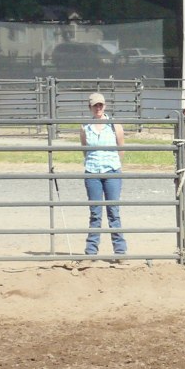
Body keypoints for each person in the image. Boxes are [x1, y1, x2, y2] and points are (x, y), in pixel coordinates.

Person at [80, 92, 126, 258]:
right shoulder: (85, 127)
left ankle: (120, 251)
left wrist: (113, 164)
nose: (98, 108)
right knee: (95, 212)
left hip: (111, 171)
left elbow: (121, 148)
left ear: (104, 106)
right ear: (90, 108)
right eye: (95, 105)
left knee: (113, 210)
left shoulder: (115, 126)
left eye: (100, 105)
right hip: (92, 172)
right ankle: (91, 251)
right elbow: (85, 149)